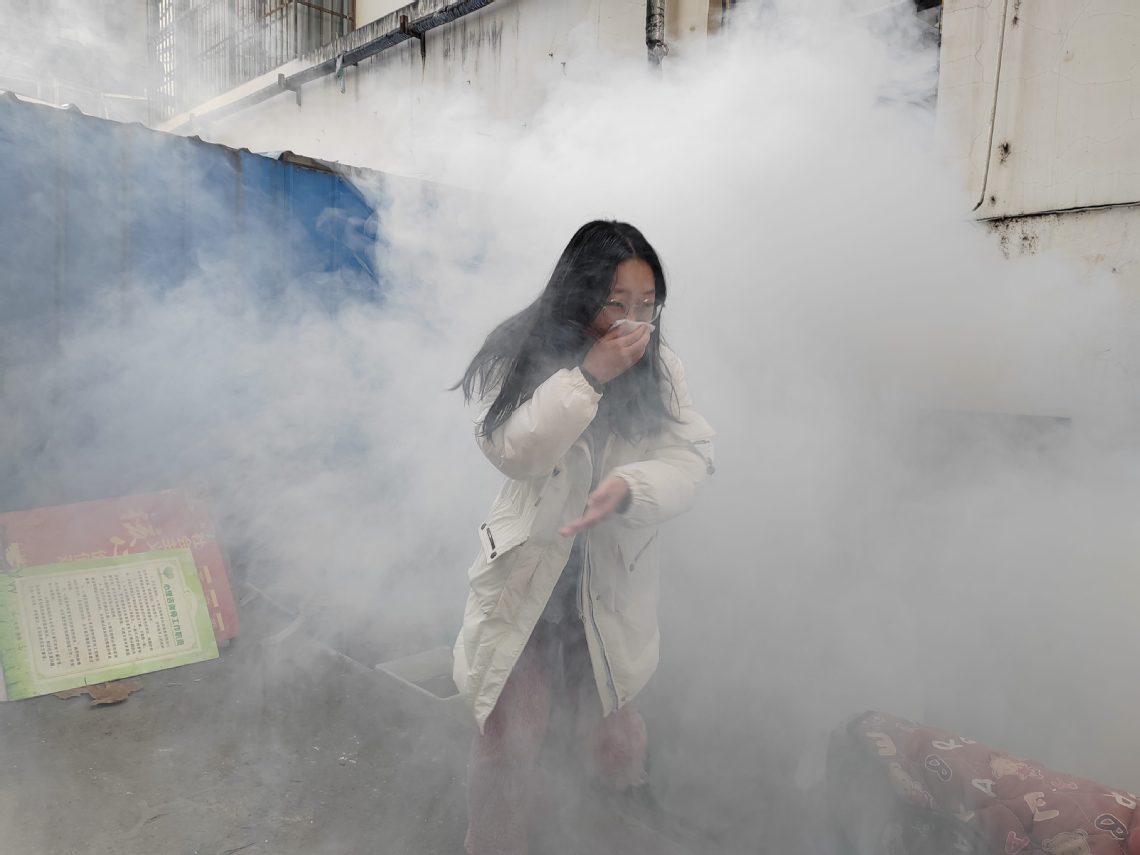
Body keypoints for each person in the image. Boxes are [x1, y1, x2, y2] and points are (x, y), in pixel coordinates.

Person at [452, 220, 716, 855]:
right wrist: (589, 376)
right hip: (529, 584)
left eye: (647, 305)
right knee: (508, 743)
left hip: (609, 585)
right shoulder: (528, 353)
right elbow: (514, 452)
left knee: (611, 734)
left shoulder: (662, 369)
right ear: (579, 297)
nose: (634, 322)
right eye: (616, 304)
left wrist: (632, 488)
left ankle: (607, 824)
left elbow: (691, 460)